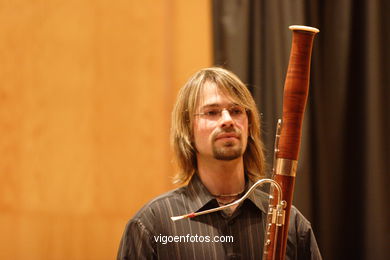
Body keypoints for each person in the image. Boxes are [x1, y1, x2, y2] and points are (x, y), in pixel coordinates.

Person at [117, 67, 322, 259]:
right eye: (212, 112)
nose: (227, 120)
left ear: (249, 125)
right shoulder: (152, 225)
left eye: (236, 110)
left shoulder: (290, 223)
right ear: (188, 129)